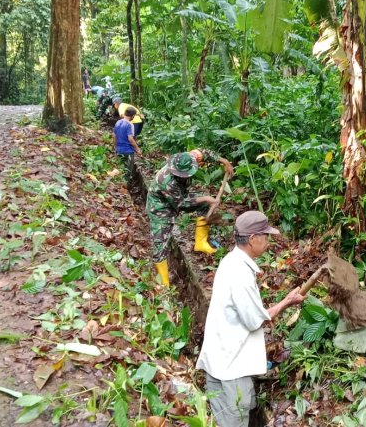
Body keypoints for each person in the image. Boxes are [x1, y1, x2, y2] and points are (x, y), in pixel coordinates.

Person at [196, 211, 305, 427]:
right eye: (265, 236)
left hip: (219, 359)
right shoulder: (240, 274)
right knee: (235, 419)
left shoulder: (231, 261)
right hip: (231, 366)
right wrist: (287, 302)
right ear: (253, 239)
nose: (268, 241)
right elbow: (257, 320)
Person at [146, 149, 234, 285]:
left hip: (180, 196)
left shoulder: (190, 158)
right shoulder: (166, 181)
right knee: (160, 241)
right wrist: (206, 197)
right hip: (160, 206)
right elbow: (181, 204)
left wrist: (225, 162)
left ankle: (201, 243)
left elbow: (205, 153)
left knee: (204, 204)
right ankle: (163, 284)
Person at [112, 107, 143, 180]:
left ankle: (120, 183)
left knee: (120, 168)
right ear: (133, 116)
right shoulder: (129, 125)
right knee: (128, 171)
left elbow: (114, 135)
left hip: (119, 150)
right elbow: (130, 138)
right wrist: (138, 149)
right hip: (128, 151)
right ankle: (125, 185)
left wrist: (115, 147)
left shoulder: (118, 122)